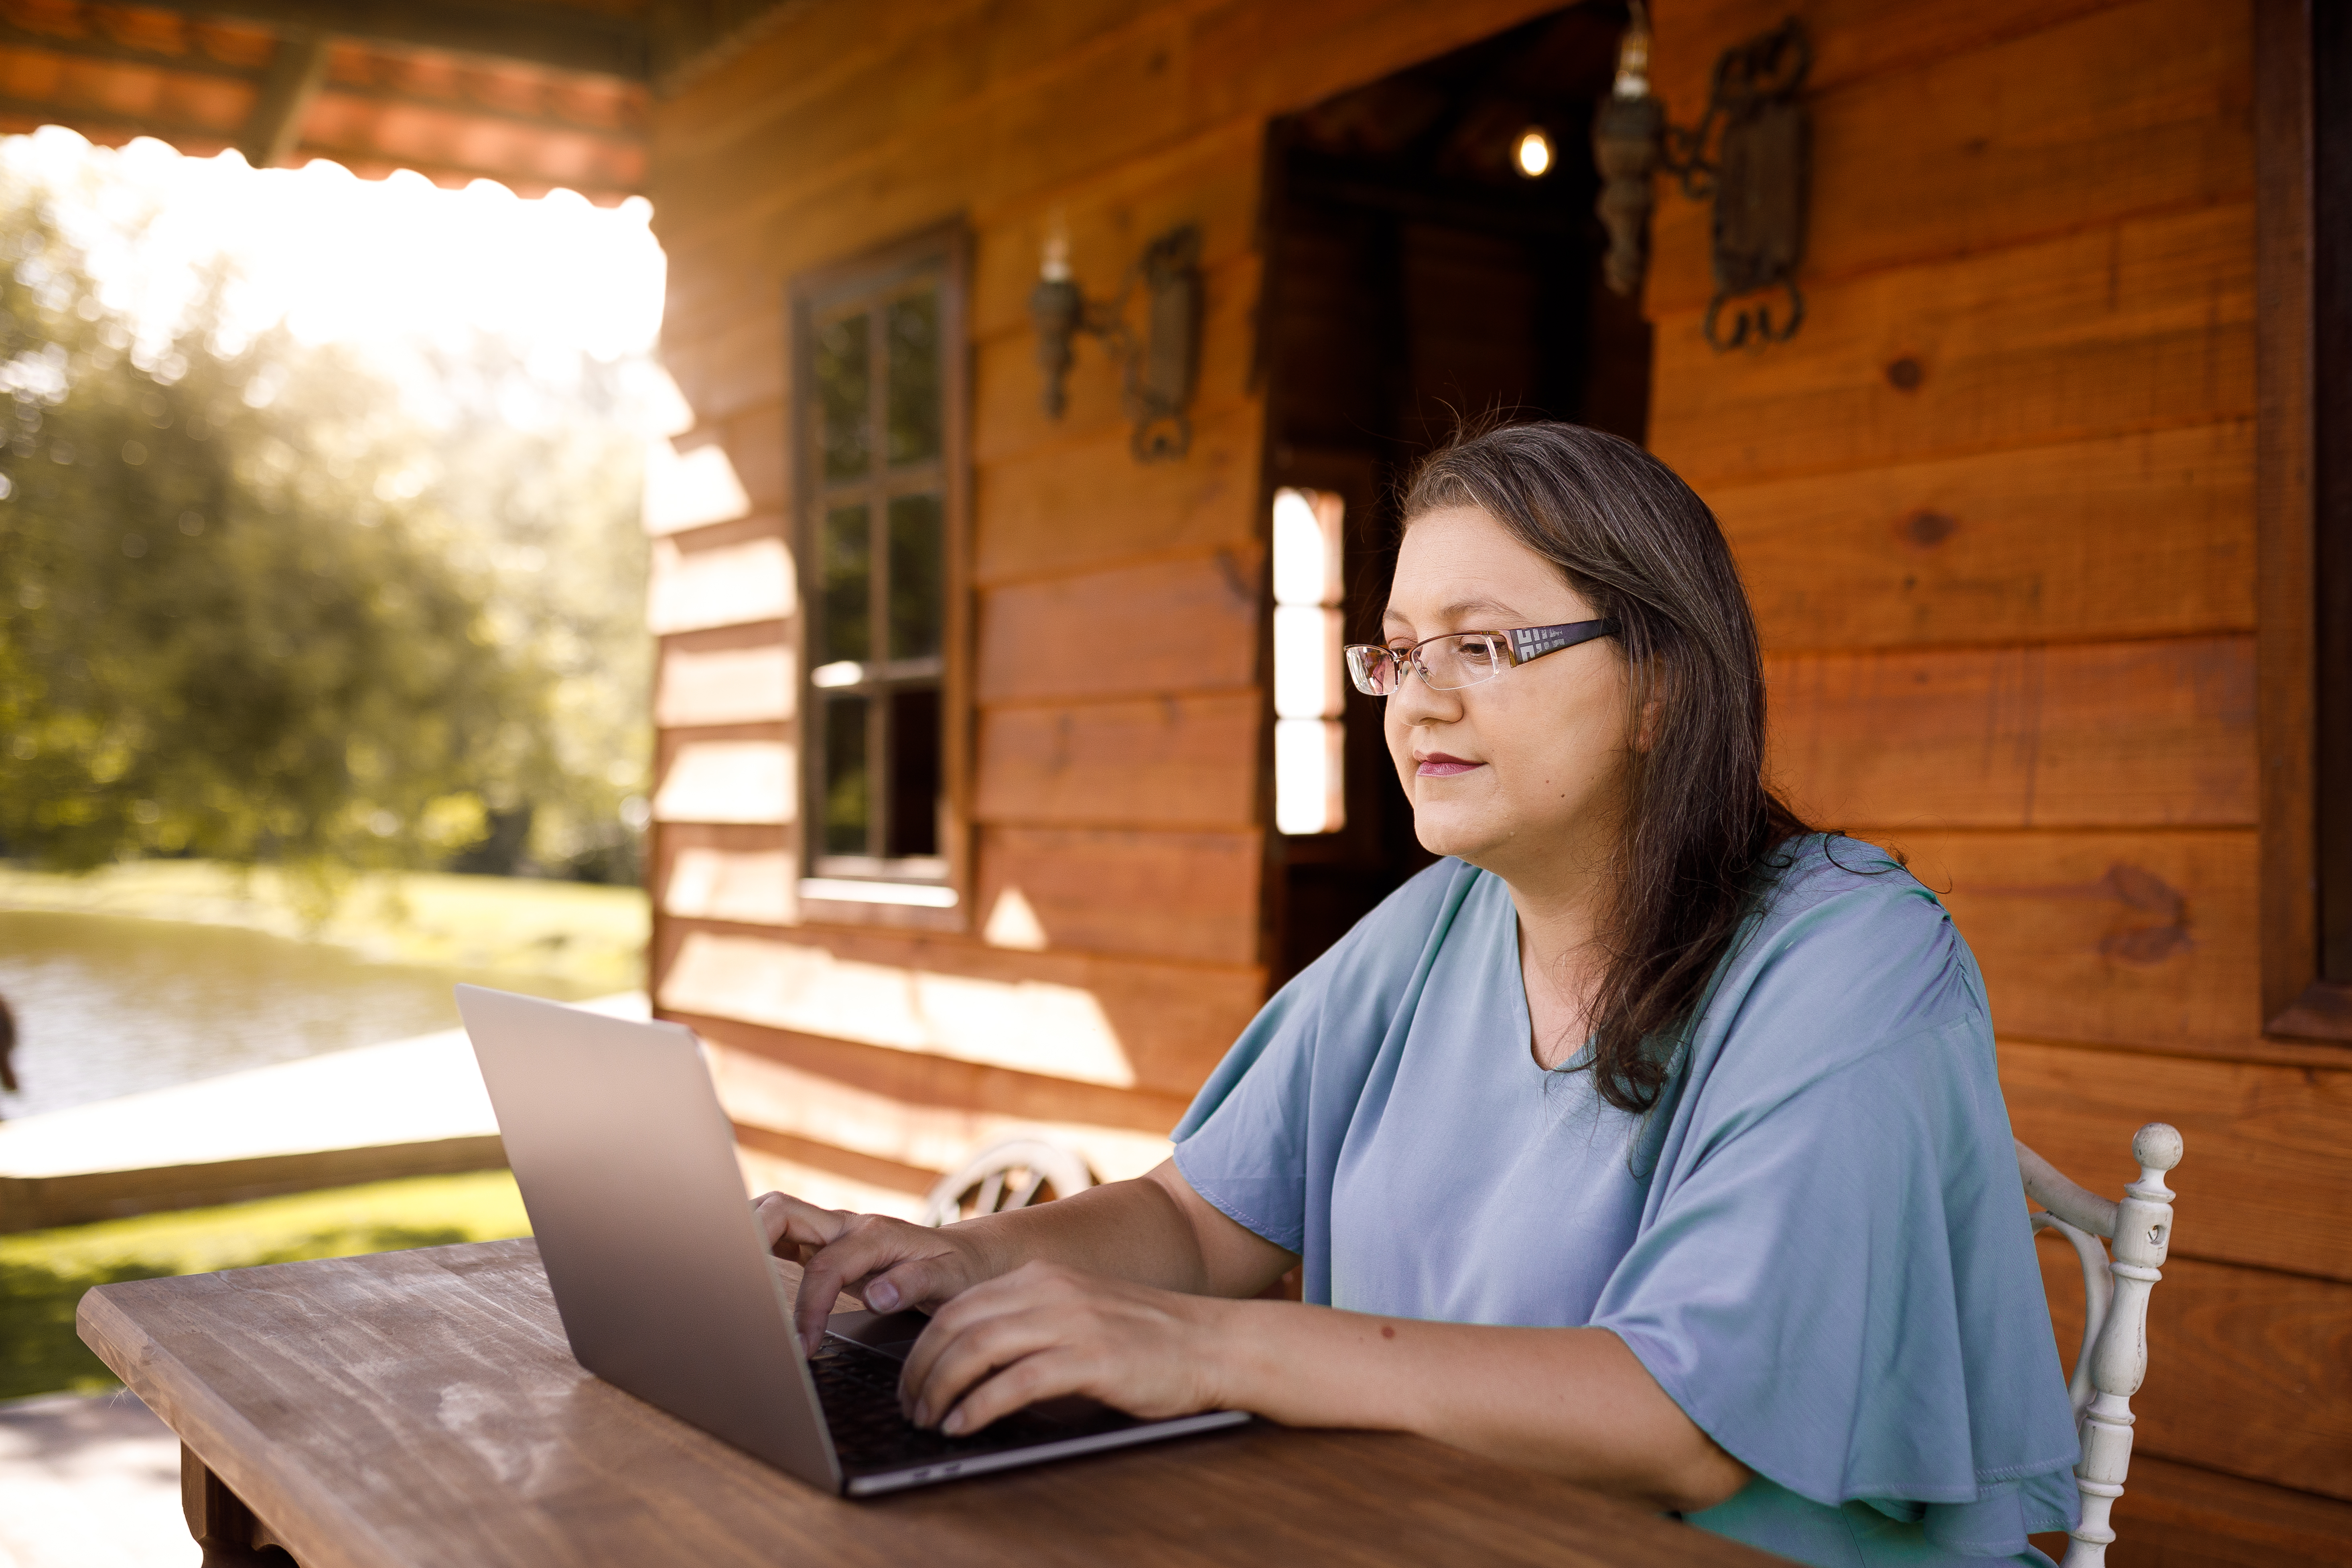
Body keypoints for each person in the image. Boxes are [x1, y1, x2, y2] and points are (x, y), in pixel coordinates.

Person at [757, 422, 2080, 1566]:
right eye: (1396, 654)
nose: (1417, 701)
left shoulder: (1855, 958)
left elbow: (1682, 1426)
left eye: (1486, 646)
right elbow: (1196, 1218)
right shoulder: (1434, 928)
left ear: (1662, 687)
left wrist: (1201, 1354)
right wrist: (964, 1260)